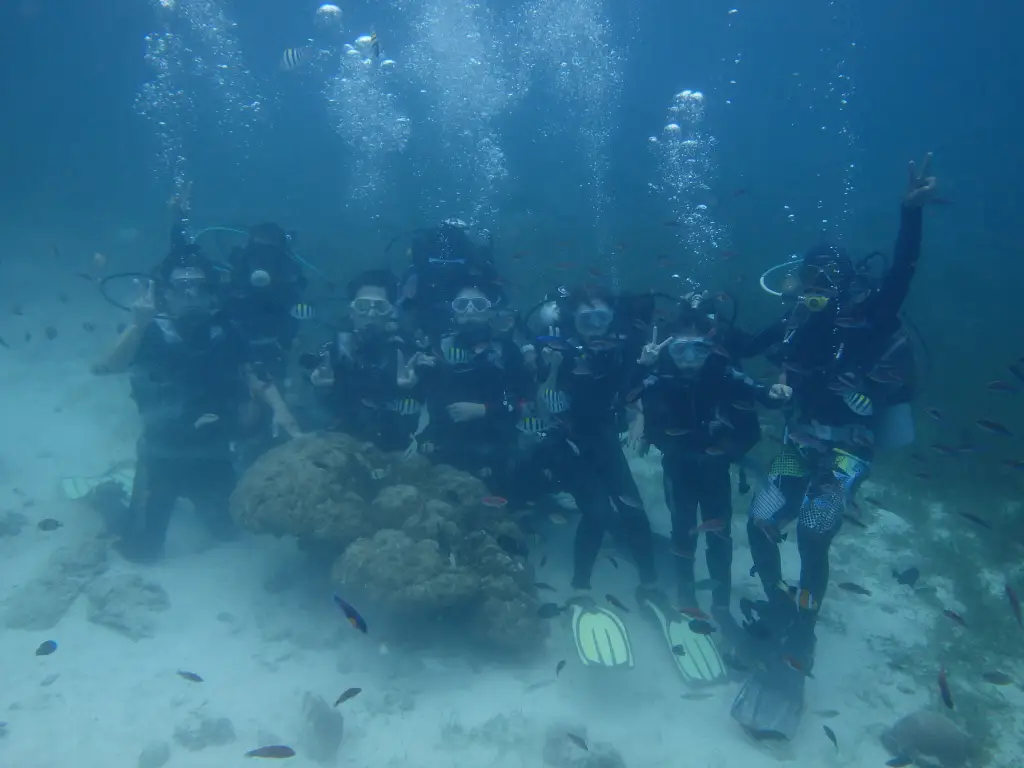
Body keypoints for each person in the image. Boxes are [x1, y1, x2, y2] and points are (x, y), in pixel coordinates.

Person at [731, 154, 939, 740]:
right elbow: (746, 344)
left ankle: (805, 628)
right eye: (811, 280)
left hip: (847, 451)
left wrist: (910, 214)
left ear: (845, 282)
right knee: (761, 521)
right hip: (801, 443)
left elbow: (904, 270)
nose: (817, 291)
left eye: (827, 281)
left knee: (813, 533)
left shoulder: (872, 318)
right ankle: (778, 601)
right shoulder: (798, 321)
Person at [630, 302, 791, 683]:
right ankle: (687, 595)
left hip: (716, 466)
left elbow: (763, 395)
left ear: (710, 348)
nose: (689, 359)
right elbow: (626, 394)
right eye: (680, 349)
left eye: (698, 349)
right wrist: (642, 364)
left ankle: (719, 603)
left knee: (719, 533)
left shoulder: (724, 372)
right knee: (683, 528)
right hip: (678, 466)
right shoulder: (660, 376)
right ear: (669, 349)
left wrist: (780, 391)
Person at [92, 250, 252, 561]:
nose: (191, 295)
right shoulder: (149, 333)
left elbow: (256, 379)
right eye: (181, 287)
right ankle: (108, 499)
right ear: (164, 294)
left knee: (229, 531)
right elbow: (103, 368)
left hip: (214, 454)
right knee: (142, 552)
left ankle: (193, 499)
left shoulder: (228, 333)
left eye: (199, 287)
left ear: (211, 294)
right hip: (159, 457)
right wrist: (137, 325)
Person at [530, 287, 659, 671]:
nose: (595, 327)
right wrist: (551, 364)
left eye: (602, 318)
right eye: (586, 319)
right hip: (566, 444)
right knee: (598, 514)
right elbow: (538, 397)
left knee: (635, 513)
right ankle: (581, 587)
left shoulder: (619, 351)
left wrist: (642, 398)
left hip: (604, 441)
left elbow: (630, 392)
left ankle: (650, 585)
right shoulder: (558, 349)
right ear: (573, 321)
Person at [414, 281, 533, 498]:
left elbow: (525, 404)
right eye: (462, 305)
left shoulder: (507, 351)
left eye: (478, 304)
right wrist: (415, 377)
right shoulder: (437, 349)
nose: (469, 311)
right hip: (446, 446)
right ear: (454, 312)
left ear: (489, 311)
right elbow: (422, 401)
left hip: (495, 447)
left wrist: (485, 409)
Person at [309, 269, 429, 453]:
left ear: (391, 312)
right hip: (343, 445)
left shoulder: (407, 352)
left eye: (380, 307)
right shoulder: (333, 351)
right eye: (363, 306)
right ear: (351, 312)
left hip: (397, 449)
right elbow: (322, 409)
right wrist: (322, 389)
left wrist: (411, 389)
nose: (371, 314)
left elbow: (425, 406)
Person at [396, 218, 504, 341]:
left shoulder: (435, 291)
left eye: (462, 306)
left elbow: (408, 302)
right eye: (479, 306)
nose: (470, 311)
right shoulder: (487, 280)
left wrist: (412, 275)